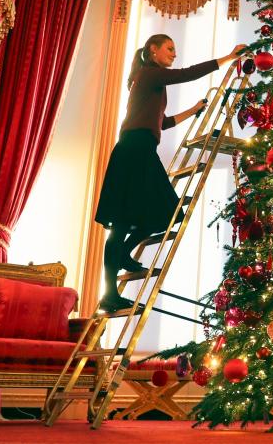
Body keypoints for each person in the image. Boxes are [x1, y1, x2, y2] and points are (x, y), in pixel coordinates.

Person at [95, 35, 247, 311]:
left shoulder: (149, 81)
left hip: (140, 148)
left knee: (167, 214)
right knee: (121, 223)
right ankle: (109, 292)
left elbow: (161, 122)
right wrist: (227, 58)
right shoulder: (150, 74)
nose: (174, 54)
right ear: (153, 51)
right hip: (134, 149)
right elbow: (186, 75)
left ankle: (124, 254)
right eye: (169, 49)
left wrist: (193, 111)